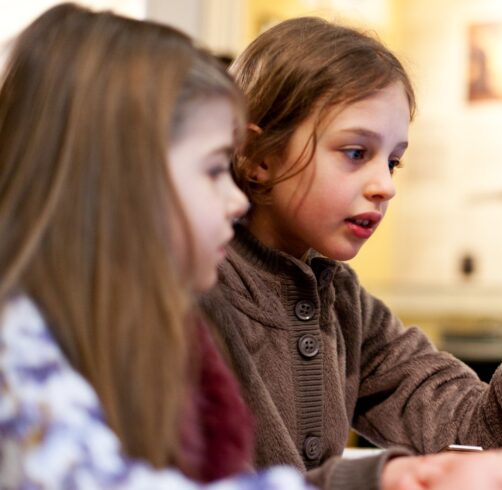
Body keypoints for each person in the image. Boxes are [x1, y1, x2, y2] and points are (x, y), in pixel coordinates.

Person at [200, 16, 502, 490]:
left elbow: (476, 439)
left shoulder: (343, 301)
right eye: (356, 152)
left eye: (393, 160)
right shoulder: (190, 294)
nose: (385, 186)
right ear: (259, 156)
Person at [0, 4, 307, 488]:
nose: (237, 202)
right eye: (213, 170)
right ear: (118, 179)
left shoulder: (148, 327)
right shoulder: (12, 336)